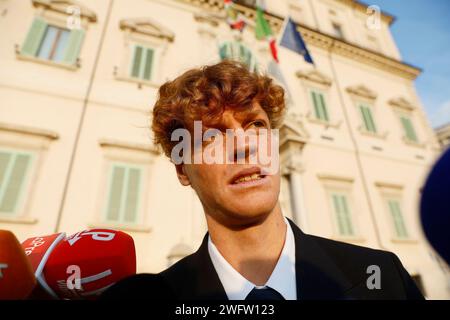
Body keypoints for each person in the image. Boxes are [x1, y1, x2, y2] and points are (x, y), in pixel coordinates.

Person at [101, 60, 424, 300]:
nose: (244, 146)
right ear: (183, 170)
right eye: (212, 136)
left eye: (255, 125)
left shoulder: (384, 277)